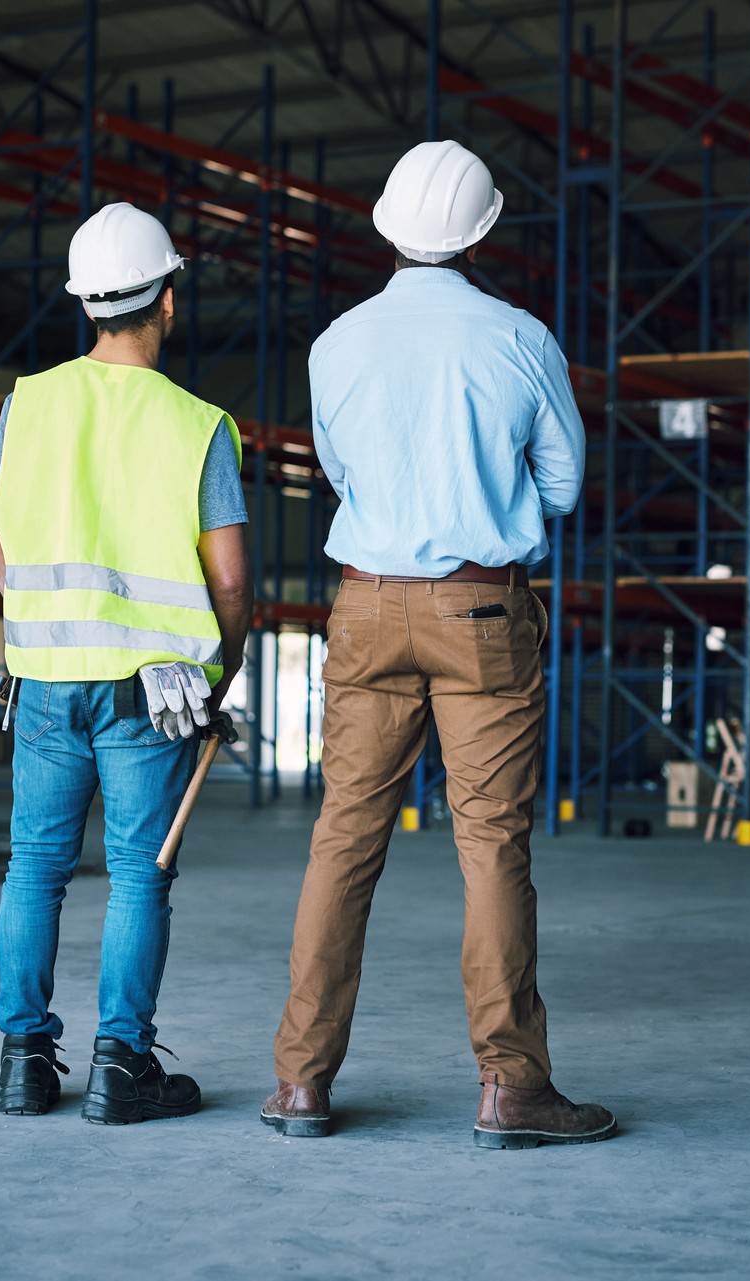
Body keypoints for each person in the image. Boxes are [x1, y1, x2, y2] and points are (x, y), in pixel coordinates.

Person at [262, 141, 611, 1149]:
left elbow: (341, 471)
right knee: (490, 844)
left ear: (387, 227)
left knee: (343, 838)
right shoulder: (521, 339)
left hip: (366, 606)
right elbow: (563, 487)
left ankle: (300, 1083)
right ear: (482, 232)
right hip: (483, 610)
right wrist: (484, 502)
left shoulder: (336, 344)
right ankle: (513, 1090)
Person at [0, 202, 254, 1122]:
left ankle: (24, 1061)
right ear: (167, 301)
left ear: (86, 304)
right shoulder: (198, 424)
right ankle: (121, 1066)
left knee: (34, 868)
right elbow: (231, 583)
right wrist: (217, 676)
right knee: (140, 873)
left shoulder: (29, 403)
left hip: (45, 683)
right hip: (152, 693)